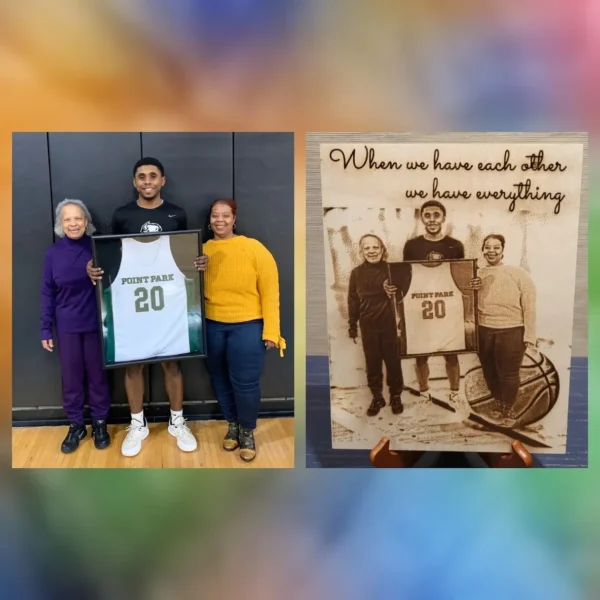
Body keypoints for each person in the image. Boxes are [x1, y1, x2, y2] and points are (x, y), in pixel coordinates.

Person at [86, 157, 207, 457]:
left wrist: (198, 261)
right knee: (132, 363)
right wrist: (94, 267)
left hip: (169, 300)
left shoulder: (176, 214)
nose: (147, 181)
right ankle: (137, 424)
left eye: (153, 176)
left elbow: (184, 255)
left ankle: (177, 422)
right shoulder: (122, 214)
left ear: (162, 180)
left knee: (172, 362)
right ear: (134, 182)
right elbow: (112, 253)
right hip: (133, 301)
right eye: (142, 176)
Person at [196, 198, 285, 462]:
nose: (220, 220)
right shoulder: (200, 251)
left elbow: (270, 292)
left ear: (235, 219)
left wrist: (272, 331)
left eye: (225, 216)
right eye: (215, 215)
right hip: (212, 326)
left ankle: (247, 430)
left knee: (245, 383)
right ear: (209, 219)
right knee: (219, 379)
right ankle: (232, 425)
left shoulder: (253, 248)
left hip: (248, 326)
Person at [40, 199, 111, 454]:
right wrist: (45, 328)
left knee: (97, 377)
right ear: (61, 224)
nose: (73, 223)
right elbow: (47, 292)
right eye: (67, 219)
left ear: (86, 221)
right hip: (67, 326)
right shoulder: (53, 253)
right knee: (71, 379)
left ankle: (100, 423)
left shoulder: (96, 247)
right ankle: (76, 425)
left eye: (78, 218)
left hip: (96, 323)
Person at [384, 200, 465, 406]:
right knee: (420, 353)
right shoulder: (412, 246)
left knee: (451, 352)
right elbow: (406, 276)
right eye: (427, 215)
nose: (431, 220)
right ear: (422, 219)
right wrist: (398, 298)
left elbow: (460, 276)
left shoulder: (455, 245)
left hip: (447, 306)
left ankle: (455, 392)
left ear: (443, 218)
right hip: (420, 305)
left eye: (436, 215)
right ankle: (424, 391)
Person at [470, 234, 537, 424]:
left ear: (503, 250)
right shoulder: (476, 274)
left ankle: (509, 409)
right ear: (482, 250)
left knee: (508, 373)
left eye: (496, 247)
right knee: (489, 370)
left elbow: (530, 304)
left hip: (512, 330)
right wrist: (471, 288)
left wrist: (529, 335)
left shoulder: (518, 273)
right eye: (487, 247)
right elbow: (467, 302)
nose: (491, 251)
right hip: (484, 330)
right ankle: (499, 403)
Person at [348, 234, 404, 416]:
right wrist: (352, 325)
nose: (371, 251)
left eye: (375, 247)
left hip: (389, 324)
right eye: (367, 248)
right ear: (361, 251)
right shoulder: (356, 273)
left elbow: (404, 294)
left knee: (393, 361)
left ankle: (395, 396)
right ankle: (377, 397)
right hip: (368, 325)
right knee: (372, 362)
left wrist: (395, 291)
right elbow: (352, 300)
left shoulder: (391, 269)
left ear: (382, 249)